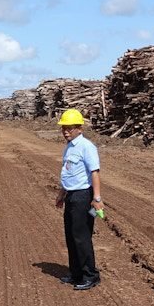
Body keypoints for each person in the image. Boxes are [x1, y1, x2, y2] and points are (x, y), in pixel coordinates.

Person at [53, 108, 104, 290]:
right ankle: (76, 274)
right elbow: (68, 173)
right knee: (71, 236)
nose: (65, 131)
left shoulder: (87, 147)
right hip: (71, 196)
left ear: (79, 128)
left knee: (82, 238)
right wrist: (61, 194)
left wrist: (96, 198)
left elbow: (95, 173)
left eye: (69, 128)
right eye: (64, 128)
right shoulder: (69, 147)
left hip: (83, 196)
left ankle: (90, 276)